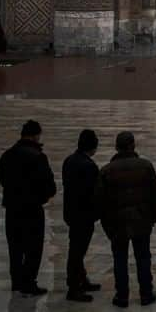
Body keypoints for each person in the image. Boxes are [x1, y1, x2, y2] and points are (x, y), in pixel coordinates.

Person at [95, 131, 156, 307]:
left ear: (116, 147)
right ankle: (146, 294)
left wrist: (107, 225)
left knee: (119, 259)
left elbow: (100, 202)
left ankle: (122, 296)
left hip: (117, 223)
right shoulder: (145, 166)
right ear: (133, 145)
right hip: (141, 220)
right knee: (143, 258)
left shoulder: (106, 170)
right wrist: (152, 219)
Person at [0, 119, 56, 297]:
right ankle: (29, 283)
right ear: (36, 135)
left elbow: (1, 178)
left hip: (12, 209)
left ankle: (16, 282)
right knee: (33, 248)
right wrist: (42, 197)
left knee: (15, 248)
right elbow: (49, 185)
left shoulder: (7, 155)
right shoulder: (38, 157)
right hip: (32, 209)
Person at [63, 129, 102, 302]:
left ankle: (81, 279)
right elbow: (94, 192)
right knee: (77, 251)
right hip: (83, 215)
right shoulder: (88, 165)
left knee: (77, 248)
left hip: (71, 212)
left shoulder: (69, 160)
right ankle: (73, 287)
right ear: (93, 146)